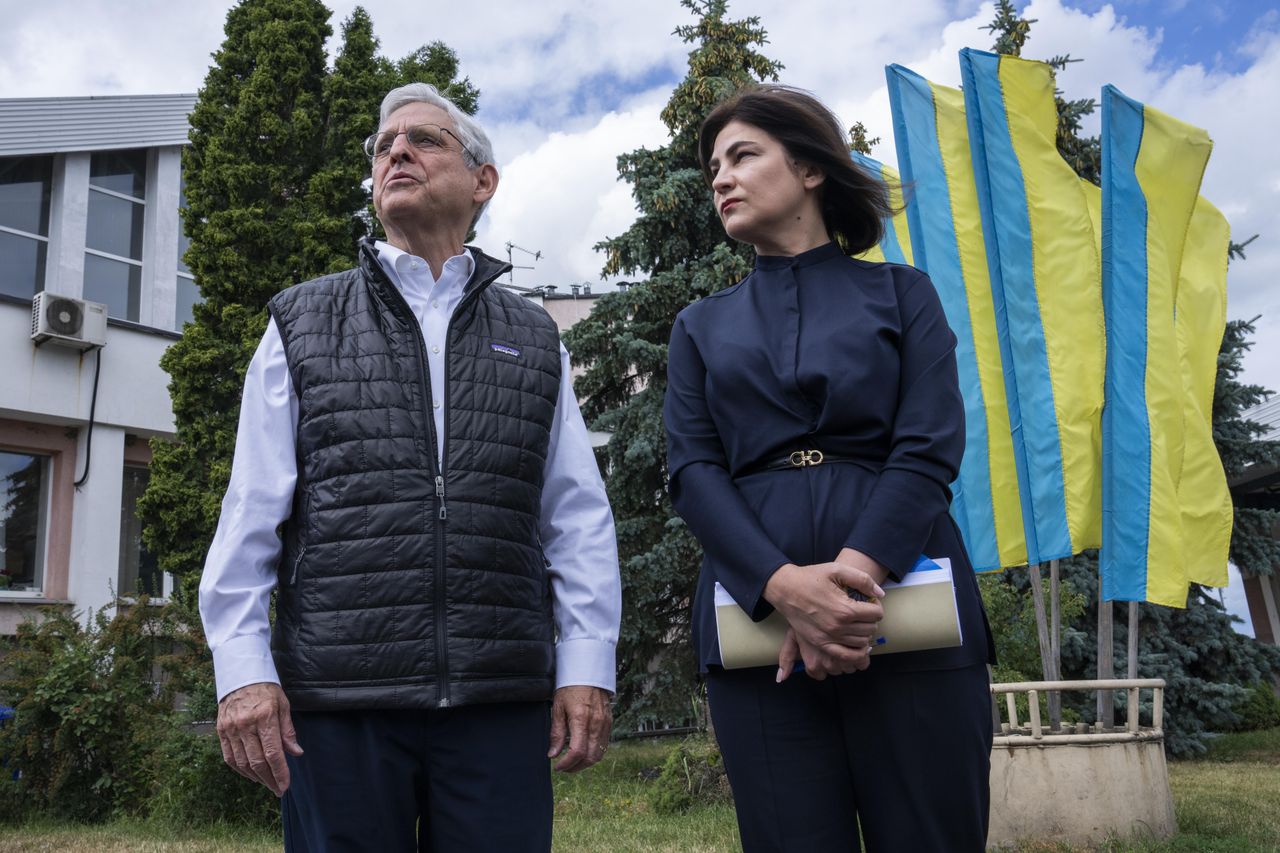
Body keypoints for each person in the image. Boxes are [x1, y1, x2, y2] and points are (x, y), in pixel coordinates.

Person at [199, 82, 621, 852]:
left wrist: (587, 662)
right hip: (338, 700)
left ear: (482, 181)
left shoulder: (534, 336)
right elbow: (250, 511)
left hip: (498, 697)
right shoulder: (300, 320)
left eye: (424, 139)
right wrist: (244, 670)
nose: (396, 151)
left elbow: (575, 516)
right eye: (384, 144)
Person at [663, 84, 996, 852]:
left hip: (912, 613)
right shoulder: (699, 326)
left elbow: (928, 445)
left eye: (743, 155)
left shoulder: (903, 293)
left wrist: (845, 584)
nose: (720, 178)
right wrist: (785, 588)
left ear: (811, 168)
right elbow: (693, 470)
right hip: (758, 634)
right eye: (714, 165)